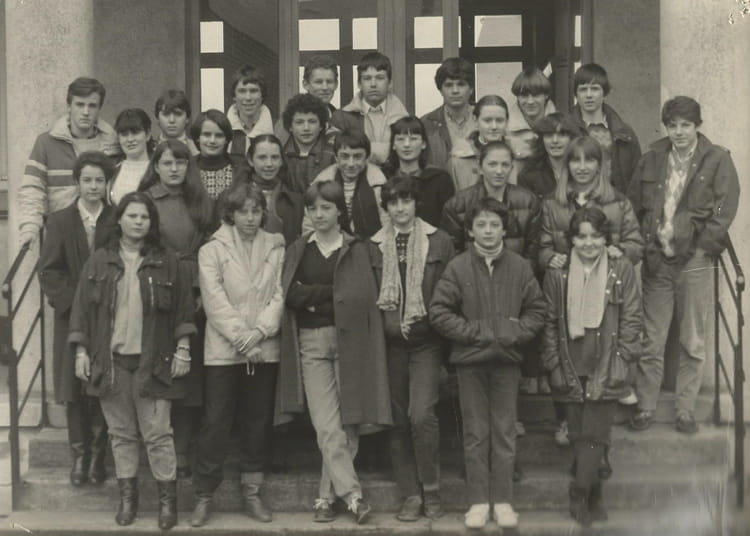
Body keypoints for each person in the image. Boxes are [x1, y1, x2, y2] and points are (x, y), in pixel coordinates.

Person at [68, 191, 196, 530]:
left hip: (153, 363)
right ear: (120, 220)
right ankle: (128, 500)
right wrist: (81, 352)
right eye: (132, 216)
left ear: (152, 223)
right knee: (121, 434)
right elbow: (81, 311)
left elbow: (184, 308)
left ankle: (167, 503)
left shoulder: (167, 262)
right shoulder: (99, 261)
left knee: (158, 434)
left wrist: (183, 348)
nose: (139, 222)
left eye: (145, 217)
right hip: (111, 362)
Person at [276, 180, 392, 524]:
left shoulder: (358, 249)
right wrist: (330, 294)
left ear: (340, 210)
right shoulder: (299, 249)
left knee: (349, 421)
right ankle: (353, 496)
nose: (319, 214)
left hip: (352, 342)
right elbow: (291, 295)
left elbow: (360, 296)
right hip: (312, 343)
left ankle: (326, 498)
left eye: (326, 207)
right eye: (312, 208)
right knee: (326, 424)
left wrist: (315, 295)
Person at [429, 198, 546, 530]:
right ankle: (479, 501)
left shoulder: (520, 267)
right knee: (476, 432)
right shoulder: (458, 267)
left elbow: (538, 310)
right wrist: (475, 332)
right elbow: (439, 311)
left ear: (505, 230)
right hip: (470, 363)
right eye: (481, 225)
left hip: (507, 362)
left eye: (495, 224)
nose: (488, 231)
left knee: (504, 431)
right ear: (470, 231)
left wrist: (511, 333)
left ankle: (504, 500)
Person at [628, 96, 740, 434]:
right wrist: (645, 243)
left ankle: (685, 410)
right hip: (657, 261)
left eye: (685, 125)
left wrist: (705, 247)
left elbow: (725, 207)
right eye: (672, 125)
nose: (678, 132)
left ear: (697, 126)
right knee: (653, 338)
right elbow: (633, 204)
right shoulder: (652, 159)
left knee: (692, 338)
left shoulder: (716, 159)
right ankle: (646, 407)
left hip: (694, 261)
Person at [190, 182, 285, 527]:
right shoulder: (211, 249)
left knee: (257, 421)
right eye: (243, 211)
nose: (250, 218)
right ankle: (204, 495)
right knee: (216, 422)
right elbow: (214, 302)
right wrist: (244, 340)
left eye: (256, 211)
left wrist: (260, 332)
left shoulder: (275, 246)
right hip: (224, 350)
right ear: (230, 214)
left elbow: (279, 295)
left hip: (264, 348)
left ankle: (252, 492)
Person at [542, 207, 641, 526]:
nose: (588, 243)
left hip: (606, 362)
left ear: (606, 238)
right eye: (581, 236)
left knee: (596, 433)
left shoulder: (620, 268)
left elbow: (632, 317)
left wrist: (623, 358)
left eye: (596, 236)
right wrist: (552, 362)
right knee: (579, 433)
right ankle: (595, 493)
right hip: (570, 362)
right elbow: (548, 321)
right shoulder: (557, 272)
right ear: (571, 239)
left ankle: (579, 491)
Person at [368, 176, 454, 521]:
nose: (400, 208)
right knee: (398, 420)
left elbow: (450, 294)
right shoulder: (374, 245)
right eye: (393, 202)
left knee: (421, 415)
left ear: (416, 203)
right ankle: (410, 494)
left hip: (426, 343)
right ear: (385, 207)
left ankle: (431, 488)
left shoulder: (440, 241)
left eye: (406, 200)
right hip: (389, 345)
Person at [38, 151, 117, 488]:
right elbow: (49, 270)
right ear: (77, 182)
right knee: (74, 386)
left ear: (107, 183)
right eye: (87, 180)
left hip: (110, 314)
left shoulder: (116, 218)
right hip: (71, 316)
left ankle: (98, 455)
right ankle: (79, 456)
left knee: (100, 383)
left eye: (99, 180)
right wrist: (75, 304)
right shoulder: (60, 221)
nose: (93, 186)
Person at [138, 140, 214, 478]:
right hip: (157, 288)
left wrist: (201, 290)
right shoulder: (145, 201)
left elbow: (212, 245)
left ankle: (184, 449)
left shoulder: (200, 200)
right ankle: (158, 447)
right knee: (160, 369)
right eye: (167, 163)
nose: (174, 169)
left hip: (195, 290)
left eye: (180, 163)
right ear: (156, 166)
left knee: (190, 374)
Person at [18, 77, 119, 246]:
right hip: (60, 237)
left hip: (103, 237)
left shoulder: (112, 147)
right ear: (69, 106)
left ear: (99, 109)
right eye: (80, 104)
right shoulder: (46, 143)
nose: (85, 112)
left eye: (92, 106)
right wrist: (29, 226)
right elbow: (32, 189)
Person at [539, 136, 643, 272]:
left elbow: (636, 244)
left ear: (599, 165)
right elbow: (542, 247)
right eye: (576, 160)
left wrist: (621, 250)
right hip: (567, 277)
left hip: (607, 277)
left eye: (589, 160)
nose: (582, 167)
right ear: (567, 165)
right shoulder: (551, 203)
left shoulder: (619, 202)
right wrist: (550, 257)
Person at [441, 140, 540, 255]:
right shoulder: (457, 205)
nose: (499, 171)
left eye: (505, 165)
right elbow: (452, 251)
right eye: (492, 164)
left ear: (511, 168)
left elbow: (532, 251)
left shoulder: (528, 202)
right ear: (480, 168)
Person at [304, 129, 388, 239]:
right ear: (336, 158)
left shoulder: (378, 183)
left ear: (367, 158)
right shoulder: (322, 183)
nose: (351, 163)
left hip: (372, 242)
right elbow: (309, 225)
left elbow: (388, 224)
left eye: (357, 157)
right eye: (345, 156)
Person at [571, 64, 640, 195]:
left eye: (595, 89)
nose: (589, 95)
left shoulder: (625, 133)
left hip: (616, 203)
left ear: (605, 94)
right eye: (583, 89)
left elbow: (636, 180)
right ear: (576, 94)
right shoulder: (566, 130)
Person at [330, 52, 408, 165]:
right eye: (367, 78)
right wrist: (388, 149)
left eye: (380, 78)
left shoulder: (404, 118)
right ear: (359, 84)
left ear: (390, 83)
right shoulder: (341, 118)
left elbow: (407, 154)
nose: (373, 84)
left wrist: (363, 150)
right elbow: (338, 156)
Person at [382, 116, 455, 227]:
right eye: (400, 139)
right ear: (393, 145)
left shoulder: (439, 179)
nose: (407, 145)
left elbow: (448, 221)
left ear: (423, 144)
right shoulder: (384, 178)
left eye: (413, 139)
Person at [420, 57, 476, 171]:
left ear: (471, 89)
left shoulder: (485, 118)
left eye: (461, 84)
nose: (455, 90)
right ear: (440, 90)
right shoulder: (426, 124)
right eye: (449, 85)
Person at [448, 95, 509, 192]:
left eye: (499, 120)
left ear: (507, 122)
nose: (494, 126)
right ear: (475, 121)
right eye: (487, 120)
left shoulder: (517, 157)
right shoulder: (458, 161)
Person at [506, 67, 557, 183]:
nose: (530, 101)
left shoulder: (561, 126)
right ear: (517, 97)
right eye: (524, 95)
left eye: (536, 95)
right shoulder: (505, 128)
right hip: (516, 190)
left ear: (546, 95)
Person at [275, 54, 339, 144]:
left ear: (336, 84)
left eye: (329, 82)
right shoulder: (291, 118)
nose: (325, 87)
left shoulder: (340, 120)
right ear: (306, 84)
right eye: (318, 82)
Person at [190, 108, 251, 201]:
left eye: (219, 135)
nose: (212, 141)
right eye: (207, 135)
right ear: (198, 137)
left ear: (226, 139)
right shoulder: (188, 167)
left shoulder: (240, 167)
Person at [519, 112, 583, 200]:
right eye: (549, 135)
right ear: (541, 140)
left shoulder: (583, 169)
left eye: (562, 135)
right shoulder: (528, 175)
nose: (555, 141)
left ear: (571, 138)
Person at [280, 93, 336, 193]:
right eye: (299, 122)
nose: (306, 128)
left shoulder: (332, 154)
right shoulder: (281, 156)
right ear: (290, 127)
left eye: (312, 121)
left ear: (321, 126)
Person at [227, 64, 274, 159]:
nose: (248, 97)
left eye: (253, 91)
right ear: (234, 96)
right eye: (242, 91)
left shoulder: (278, 129)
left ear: (262, 95)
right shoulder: (223, 131)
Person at [109, 108, 155, 205]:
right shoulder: (111, 169)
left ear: (148, 134)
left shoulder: (157, 168)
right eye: (124, 134)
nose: (130, 139)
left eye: (135, 133)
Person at [154, 89, 199, 155]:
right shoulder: (149, 151)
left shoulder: (198, 151)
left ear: (187, 118)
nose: (172, 120)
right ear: (158, 118)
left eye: (178, 114)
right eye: (166, 114)